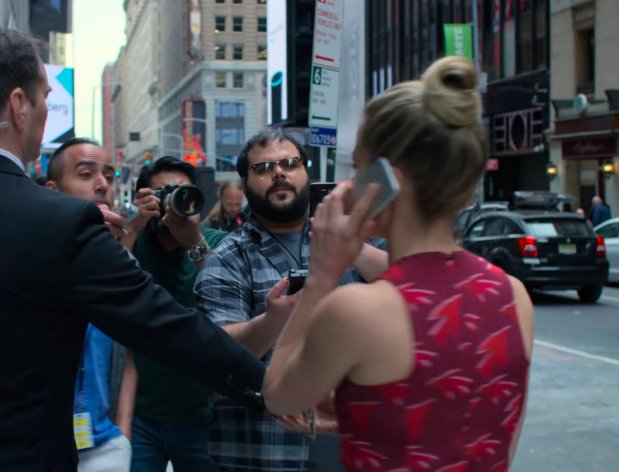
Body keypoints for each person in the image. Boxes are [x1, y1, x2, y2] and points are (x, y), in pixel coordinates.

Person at [0, 28, 266, 471]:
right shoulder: (66, 224)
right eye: (43, 100)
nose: (43, 114)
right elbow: (168, 327)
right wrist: (270, 387)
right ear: (18, 106)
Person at [262, 56, 535, 472]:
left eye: (357, 169)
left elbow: (279, 396)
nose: (349, 184)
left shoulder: (356, 309)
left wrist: (321, 278)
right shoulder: (513, 296)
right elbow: (481, 434)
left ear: (388, 182)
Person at [195, 128, 388, 472]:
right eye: (264, 168)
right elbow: (213, 352)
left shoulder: (360, 243)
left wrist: (352, 247)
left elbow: (417, 293)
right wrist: (270, 323)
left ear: (305, 171)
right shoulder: (227, 259)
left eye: (289, 163)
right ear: (244, 182)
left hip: (358, 443)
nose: (279, 173)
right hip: (265, 452)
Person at [118, 156, 227, 472]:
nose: (172, 201)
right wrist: (135, 224)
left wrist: (192, 239)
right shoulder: (133, 243)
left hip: (203, 415)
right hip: (140, 414)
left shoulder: (215, 243)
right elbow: (105, 281)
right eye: (162, 193)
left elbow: (223, 289)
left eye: (182, 193)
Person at [44, 137, 132, 471]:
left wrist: (122, 430)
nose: (102, 185)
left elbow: (131, 349)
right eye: (85, 174)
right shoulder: (25, 257)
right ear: (52, 190)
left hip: (104, 444)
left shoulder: (122, 261)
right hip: (37, 443)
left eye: (108, 176)